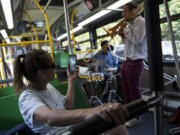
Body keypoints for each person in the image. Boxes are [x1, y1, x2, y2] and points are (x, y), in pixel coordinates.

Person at [13, 50, 129, 135]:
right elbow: (49, 117)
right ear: (41, 73)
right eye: (52, 65)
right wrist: (91, 112)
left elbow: (68, 104)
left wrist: (71, 80)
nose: (55, 68)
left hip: (71, 129)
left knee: (117, 127)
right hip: (62, 133)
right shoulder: (27, 97)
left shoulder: (48, 87)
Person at [118, 2, 147, 126]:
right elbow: (128, 43)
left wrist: (124, 30)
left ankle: (137, 116)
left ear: (134, 10)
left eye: (125, 11)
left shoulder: (141, 22)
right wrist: (122, 35)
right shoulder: (130, 25)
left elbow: (137, 40)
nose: (123, 14)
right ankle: (129, 114)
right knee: (126, 90)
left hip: (135, 61)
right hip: (127, 60)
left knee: (134, 91)